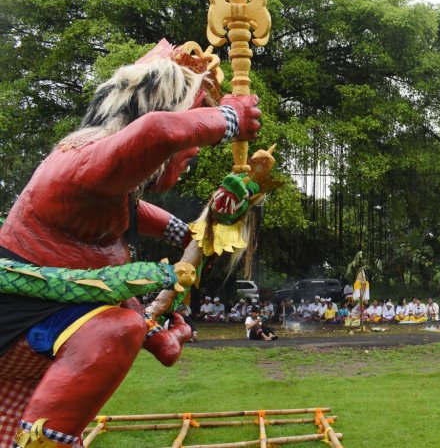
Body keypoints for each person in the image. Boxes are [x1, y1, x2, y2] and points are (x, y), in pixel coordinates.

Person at [0, 41, 264, 445]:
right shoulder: (81, 163)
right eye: (189, 132)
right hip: (23, 312)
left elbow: (147, 220)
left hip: (60, 313)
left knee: (126, 325)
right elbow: (158, 132)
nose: (189, 151)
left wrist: (206, 224)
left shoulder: (113, 194)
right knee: (117, 328)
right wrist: (229, 119)